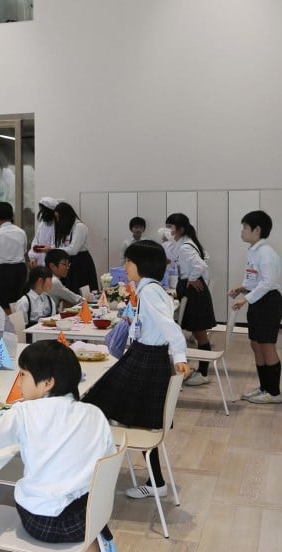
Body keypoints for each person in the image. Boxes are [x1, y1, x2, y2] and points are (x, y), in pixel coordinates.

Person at [0, 340, 117, 552]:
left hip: (42, 522)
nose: (18, 381)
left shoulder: (25, 413)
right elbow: (107, 463)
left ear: (48, 383)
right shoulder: (94, 413)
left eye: (23, 375)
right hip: (88, 519)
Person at [83, 240, 190, 501]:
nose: (125, 266)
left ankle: (94, 473)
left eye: (128, 262)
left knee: (96, 405)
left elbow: (169, 327)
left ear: (140, 265)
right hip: (145, 357)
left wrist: (180, 356)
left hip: (146, 359)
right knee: (135, 417)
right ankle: (152, 480)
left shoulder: (151, 291)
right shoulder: (151, 289)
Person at [229, 210, 282, 404]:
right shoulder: (254, 250)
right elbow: (255, 278)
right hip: (259, 301)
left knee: (267, 346)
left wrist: (246, 299)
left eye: (245, 227)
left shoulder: (266, 253)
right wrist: (242, 288)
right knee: (256, 344)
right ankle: (264, 387)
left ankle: (274, 393)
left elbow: (268, 283)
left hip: (268, 302)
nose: (242, 231)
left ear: (257, 230)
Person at [164, 213, 215, 386]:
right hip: (191, 288)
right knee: (197, 331)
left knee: (200, 333)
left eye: (171, 227)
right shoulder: (184, 242)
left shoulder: (185, 246)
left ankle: (203, 373)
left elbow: (201, 265)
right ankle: (200, 371)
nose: (169, 231)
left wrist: (192, 278)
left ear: (181, 229)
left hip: (194, 291)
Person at [53, 202, 98, 296]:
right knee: (71, 291)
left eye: (58, 217)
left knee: (82, 291)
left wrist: (53, 250)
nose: (57, 220)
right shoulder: (68, 228)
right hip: (71, 262)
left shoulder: (80, 227)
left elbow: (73, 250)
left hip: (81, 262)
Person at [28, 197, 58, 266]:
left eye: (43, 210)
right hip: (40, 263)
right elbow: (36, 242)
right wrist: (33, 257)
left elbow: (58, 246)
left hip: (53, 263)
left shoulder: (57, 225)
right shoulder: (42, 225)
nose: (41, 212)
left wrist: (50, 249)